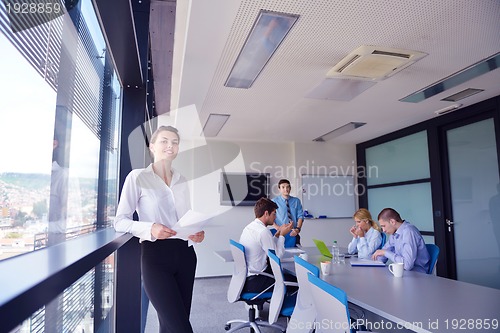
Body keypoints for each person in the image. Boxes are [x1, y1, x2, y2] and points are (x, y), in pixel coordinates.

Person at [114, 125, 205, 333]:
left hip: (186, 255)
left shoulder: (182, 181)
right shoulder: (137, 177)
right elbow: (120, 221)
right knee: (181, 327)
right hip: (155, 257)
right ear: (152, 146)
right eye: (164, 141)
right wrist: (150, 228)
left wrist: (196, 232)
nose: (170, 145)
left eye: (174, 142)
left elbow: (184, 219)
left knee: (171, 324)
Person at [239, 197, 294, 293]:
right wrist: (282, 235)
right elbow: (277, 257)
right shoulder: (263, 231)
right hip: (257, 280)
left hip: (247, 278)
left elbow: (266, 246)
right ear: (266, 213)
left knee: (287, 276)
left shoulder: (250, 227)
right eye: (274, 214)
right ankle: (281, 307)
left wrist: (277, 234)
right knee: (295, 282)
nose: (275, 217)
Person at [372, 208, 430, 273]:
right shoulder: (394, 234)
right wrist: (377, 261)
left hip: (417, 274)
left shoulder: (409, 232)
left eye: (384, 226)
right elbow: (382, 256)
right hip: (403, 273)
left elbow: (407, 265)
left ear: (392, 222)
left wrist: (385, 253)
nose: (383, 230)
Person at [272, 179, 304, 247]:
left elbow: (300, 216)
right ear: (279, 189)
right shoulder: (274, 201)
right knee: (280, 254)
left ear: (290, 188)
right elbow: (271, 217)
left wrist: (298, 229)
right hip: (280, 233)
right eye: (283, 187)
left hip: (293, 232)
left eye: (288, 187)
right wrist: (278, 228)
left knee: (297, 254)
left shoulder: (296, 201)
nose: (286, 189)